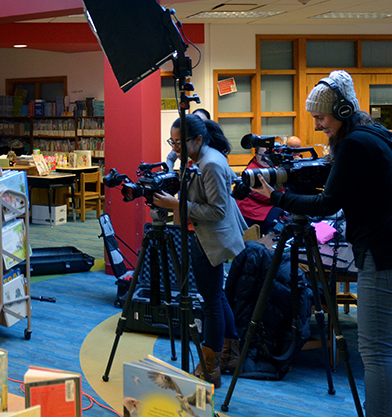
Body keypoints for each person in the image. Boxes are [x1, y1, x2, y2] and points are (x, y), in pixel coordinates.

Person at [251, 70, 392, 417]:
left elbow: (328, 203)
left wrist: (276, 198)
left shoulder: (355, 144)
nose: (317, 125)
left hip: (380, 251)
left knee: (376, 352)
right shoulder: (375, 133)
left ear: (342, 111)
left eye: (320, 117)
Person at [153, 114, 247, 387]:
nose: (176, 148)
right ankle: (229, 355)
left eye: (180, 143)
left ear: (198, 140)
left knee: (211, 303)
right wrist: (171, 165)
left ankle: (209, 369)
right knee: (216, 295)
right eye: (173, 142)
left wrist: (177, 205)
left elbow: (217, 211)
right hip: (204, 236)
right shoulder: (197, 158)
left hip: (212, 239)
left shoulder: (211, 164)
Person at [235, 147, 285, 235]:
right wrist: (281, 196)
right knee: (278, 224)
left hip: (269, 204)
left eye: (269, 155)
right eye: (262, 155)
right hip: (252, 208)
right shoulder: (250, 171)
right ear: (256, 155)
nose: (265, 158)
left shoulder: (275, 167)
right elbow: (260, 195)